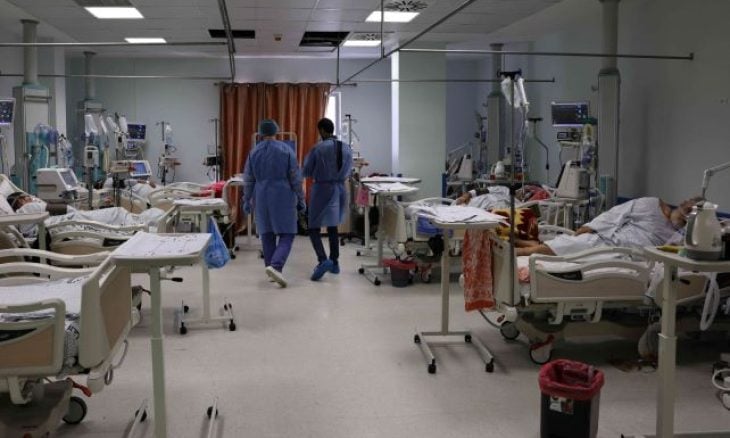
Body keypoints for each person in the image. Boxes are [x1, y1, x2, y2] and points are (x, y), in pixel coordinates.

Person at [516, 196, 703, 256]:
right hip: (608, 241)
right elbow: (617, 213)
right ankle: (518, 250)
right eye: (687, 210)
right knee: (568, 244)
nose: (685, 218)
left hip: (624, 255)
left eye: (690, 217)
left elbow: (675, 251)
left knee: (563, 245)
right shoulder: (653, 205)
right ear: (682, 203)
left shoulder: (680, 234)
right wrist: (590, 226)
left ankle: (521, 248)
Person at [242, 119, 305, 287]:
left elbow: (248, 179)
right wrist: (301, 197)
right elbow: (295, 177)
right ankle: (276, 266)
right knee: (288, 233)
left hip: (261, 195)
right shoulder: (286, 150)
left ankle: (270, 269)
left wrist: (246, 199)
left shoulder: (254, 152)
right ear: (276, 131)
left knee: (267, 233)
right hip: (282, 194)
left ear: (261, 133)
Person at [302, 118, 353, 281]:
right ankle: (335, 263)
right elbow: (349, 169)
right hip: (340, 189)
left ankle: (323, 260)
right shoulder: (346, 148)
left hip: (322, 189)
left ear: (322, 130)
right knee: (332, 226)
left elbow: (307, 171)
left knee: (313, 227)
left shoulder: (318, 148)